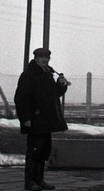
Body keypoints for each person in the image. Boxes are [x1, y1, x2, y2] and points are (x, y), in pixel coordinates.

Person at [14, 47, 69, 191]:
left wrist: (61, 85)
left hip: (46, 120)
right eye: (42, 57)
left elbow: (53, 94)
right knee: (34, 151)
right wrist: (25, 118)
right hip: (35, 119)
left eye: (47, 58)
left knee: (43, 151)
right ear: (36, 59)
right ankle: (30, 182)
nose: (45, 60)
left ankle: (39, 180)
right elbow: (20, 98)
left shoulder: (47, 74)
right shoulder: (29, 75)